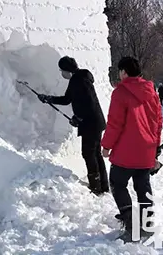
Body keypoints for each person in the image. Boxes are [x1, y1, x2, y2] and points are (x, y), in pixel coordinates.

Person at [101, 56, 163, 242]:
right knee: (143, 186)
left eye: (120, 71)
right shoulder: (151, 91)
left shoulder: (120, 92)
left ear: (124, 72)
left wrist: (106, 146)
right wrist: (155, 148)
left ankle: (131, 225)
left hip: (126, 152)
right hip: (146, 151)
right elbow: (158, 122)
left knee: (117, 184)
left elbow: (115, 123)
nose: (119, 75)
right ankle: (147, 224)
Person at [37, 56, 109, 195]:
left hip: (91, 123)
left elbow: (89, 102)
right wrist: (48, 98)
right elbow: (67, 99)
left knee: (89, 154)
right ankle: (102, 185)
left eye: (61, 70)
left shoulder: (79, 80)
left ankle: (96, 187)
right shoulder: (79, 78)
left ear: (67, 70)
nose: (61, 73)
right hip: (93, 122)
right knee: (94, 153)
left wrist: (79, 118)